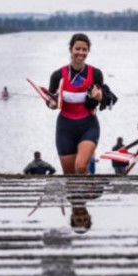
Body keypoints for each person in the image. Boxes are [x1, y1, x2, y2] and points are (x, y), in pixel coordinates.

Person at [46, 33, 105, 175]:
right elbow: (49, 99)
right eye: (77, 49)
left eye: (84, 50)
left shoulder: (96, 74)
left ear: (88, 51)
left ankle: (88, 190)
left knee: (80, 166)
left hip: (88, 125)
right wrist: (51, 105)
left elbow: (103, 99)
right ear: (71, 49)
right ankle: (80, 196)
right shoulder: (57, 75)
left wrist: (99, 97)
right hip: (65, 127)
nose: (81, 53)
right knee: (70, 175)